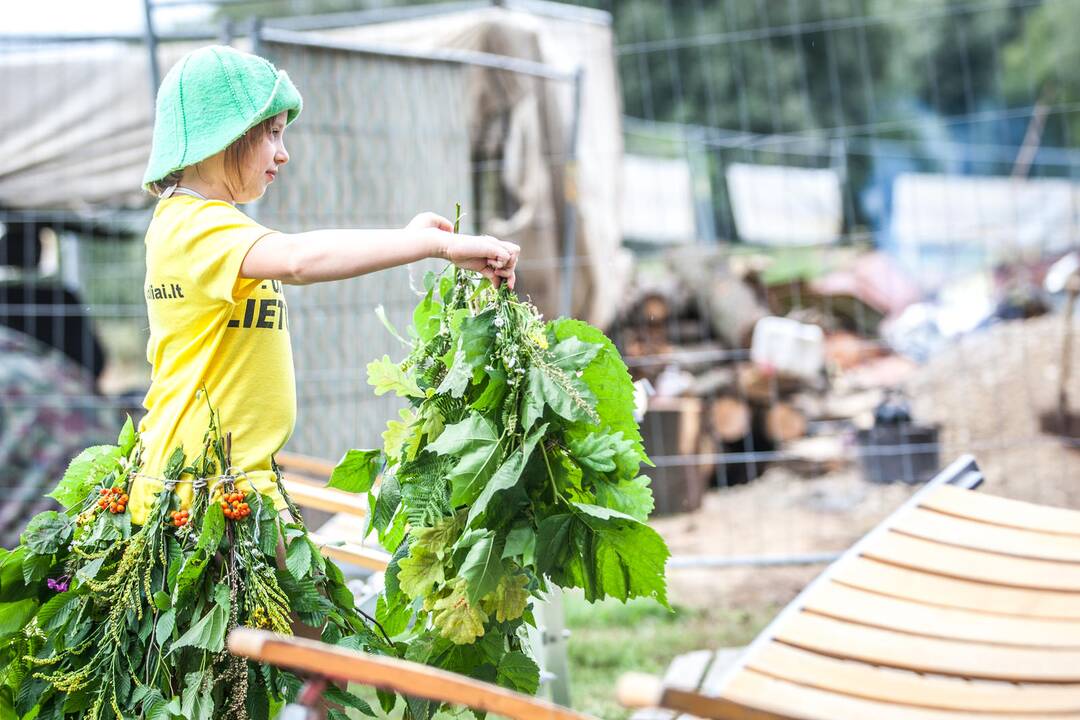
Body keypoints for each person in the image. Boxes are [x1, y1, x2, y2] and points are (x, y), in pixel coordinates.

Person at [130, 44, 519, 528]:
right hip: (198, 493)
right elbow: (299, 259)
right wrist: (428, 246)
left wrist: (407, 239)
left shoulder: (212, 227)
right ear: (222, 134)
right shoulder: (190, 227)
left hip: (235, 482)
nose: (284, 152)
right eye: (271, 133)